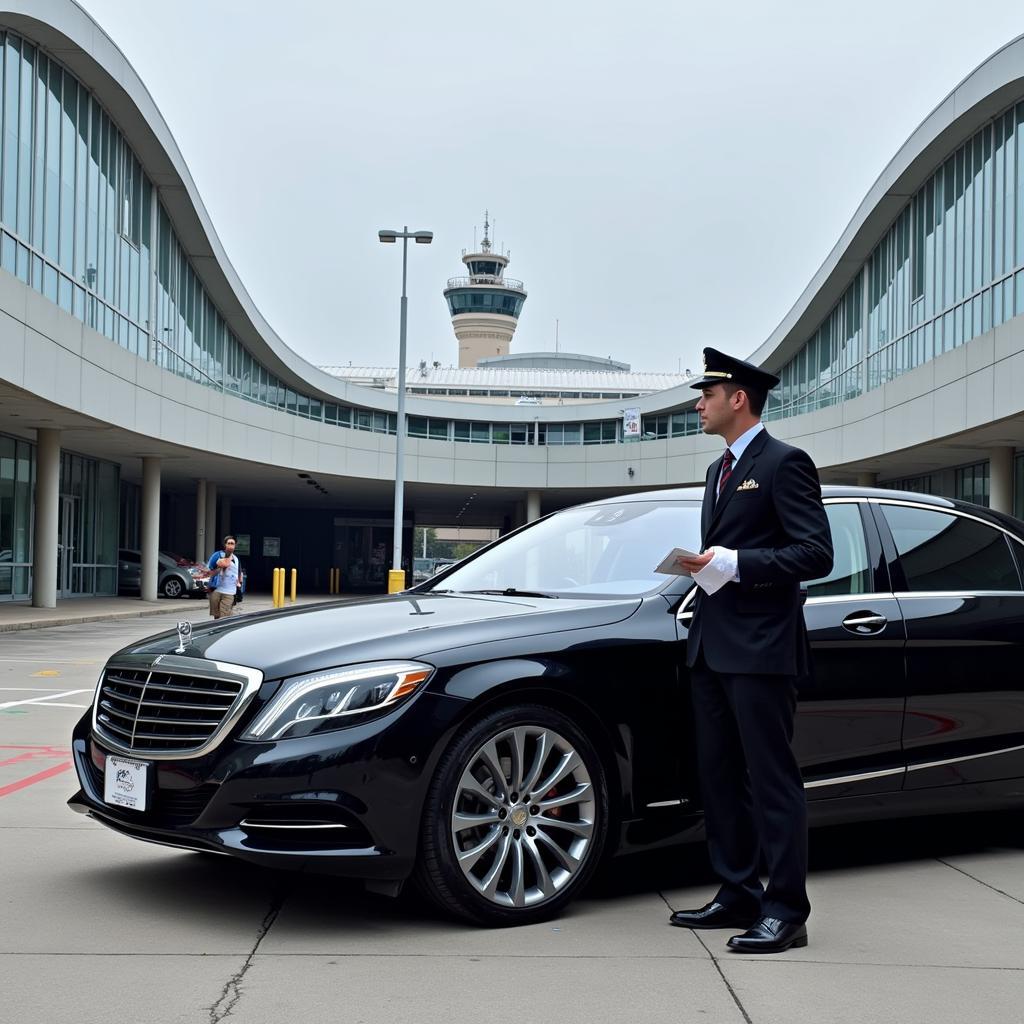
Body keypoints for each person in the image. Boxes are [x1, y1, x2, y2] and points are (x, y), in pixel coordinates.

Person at [669, 347, 833, 954]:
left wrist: (737, 564)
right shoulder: (719, 471)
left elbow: (816, 554)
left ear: (738, 398)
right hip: (712, 646)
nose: (698, 404)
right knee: (719, 779)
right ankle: (737, 891)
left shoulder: (786, 462)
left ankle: (787, 910)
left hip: (762, 651)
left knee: (772, 781)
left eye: (706, 395)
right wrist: (707, 568)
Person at [206, 535, 241, 620]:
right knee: (217, 617)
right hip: (216, 590)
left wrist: (239, 586)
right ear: (225, 545)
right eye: (228, 543)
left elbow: (239, 574)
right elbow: (209, 570)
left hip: (229, 592)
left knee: (224, 617)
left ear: (235, 545)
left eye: (232, 543)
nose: (230, 545)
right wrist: (219, 567)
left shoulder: (236, 559)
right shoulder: (217, 555)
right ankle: (217, 632)